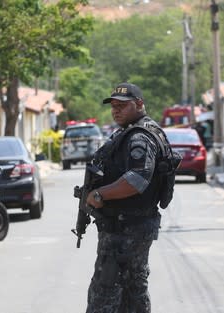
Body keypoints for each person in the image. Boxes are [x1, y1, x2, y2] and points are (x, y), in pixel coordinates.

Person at [85, 82, 170, 313]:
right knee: (133, 289)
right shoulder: (133, 132)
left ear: (139, 104)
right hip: (131, 225)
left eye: (122, 105)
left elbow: (137, 179)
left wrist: (100, 193)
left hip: (126, 228)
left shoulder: (139, 137)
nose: (116, 110)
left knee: (104, 292)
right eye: (113, 105)